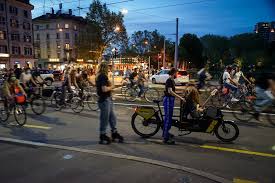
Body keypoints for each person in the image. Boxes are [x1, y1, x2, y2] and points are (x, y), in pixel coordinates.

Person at [96, 62, 123, 144]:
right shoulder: (102, 76)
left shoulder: (100, 76)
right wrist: (112, 87)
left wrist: (117, 86)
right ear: (105, 68)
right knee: (105, 118)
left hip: (107, 99)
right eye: (108, 67)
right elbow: (104, 89)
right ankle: (102, 135)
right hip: (104, 100)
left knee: (112, 117)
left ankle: (114, 132)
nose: (109, 69)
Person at [163, 68, 185, 145]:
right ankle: (165, 138)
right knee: (168, 118)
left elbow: (173, 91)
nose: (177, 74)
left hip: (171, 100)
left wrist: (181, 93)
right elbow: (170, 92)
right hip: (168, 100)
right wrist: (180, 97)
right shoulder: (169, 80)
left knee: (169, 118)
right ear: (173, 73)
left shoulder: (172, 80)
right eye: (176, 73)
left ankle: (166, 133)